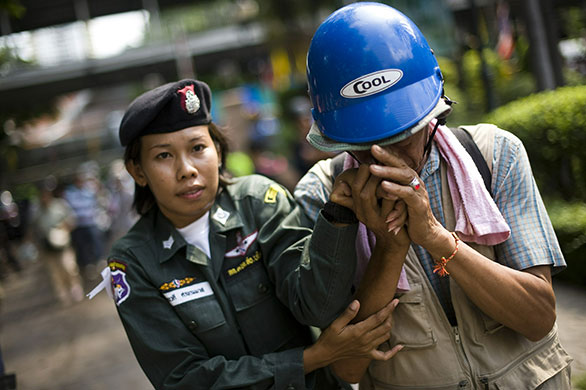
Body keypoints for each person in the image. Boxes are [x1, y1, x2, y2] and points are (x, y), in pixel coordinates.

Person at [294, 2, 573, 389]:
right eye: (364, 144)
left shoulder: (495, 155)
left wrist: (436, 238)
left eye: (399, 136)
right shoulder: (323, 196)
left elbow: (539, 318)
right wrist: (390, 248)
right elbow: (349, 369)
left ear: (431, 117)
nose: (383, 157)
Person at [95, 78, 401, 389]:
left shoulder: (258, 202)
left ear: (217, 150)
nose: (186, 169)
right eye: (164, 155)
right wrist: (313, 357)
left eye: (198, 147)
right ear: (138, 171)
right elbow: (182, 380)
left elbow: (316, 306)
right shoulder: (133, 261)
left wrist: (337, 218)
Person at [33, 176, 84, 305]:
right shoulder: (36, 210)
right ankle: (63, 294)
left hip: (63, 244)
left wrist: (62, 229)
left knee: (69, 268)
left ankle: (75, 288)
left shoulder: (60, 205)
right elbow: (34, 229)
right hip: (47, 247)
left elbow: (72, 220)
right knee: (55, 273)